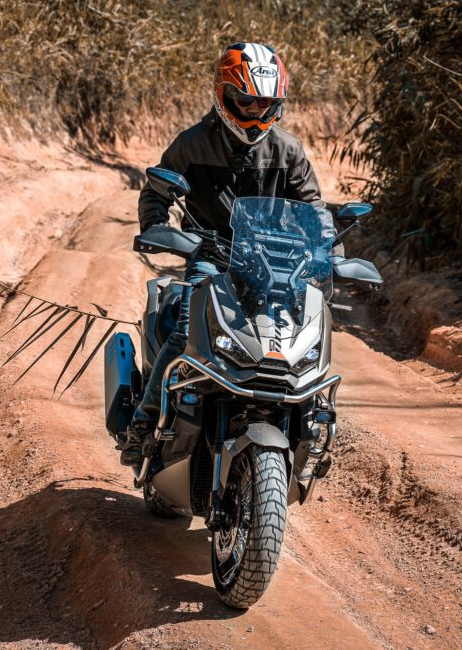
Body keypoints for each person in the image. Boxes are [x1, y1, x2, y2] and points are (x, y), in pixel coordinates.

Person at [121, 41, 329, 466]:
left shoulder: (287, 150)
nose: (255, 112)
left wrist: (326, 250)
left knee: (304, 335)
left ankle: (313, 427)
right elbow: (156, 193)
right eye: (246, 101)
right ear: (223, 95)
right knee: (186, 329)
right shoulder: (192, 144)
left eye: (265, 103)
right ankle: (143, 422)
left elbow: (315, 209)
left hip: (275, 264)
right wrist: (157, 228)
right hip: (210, 256)